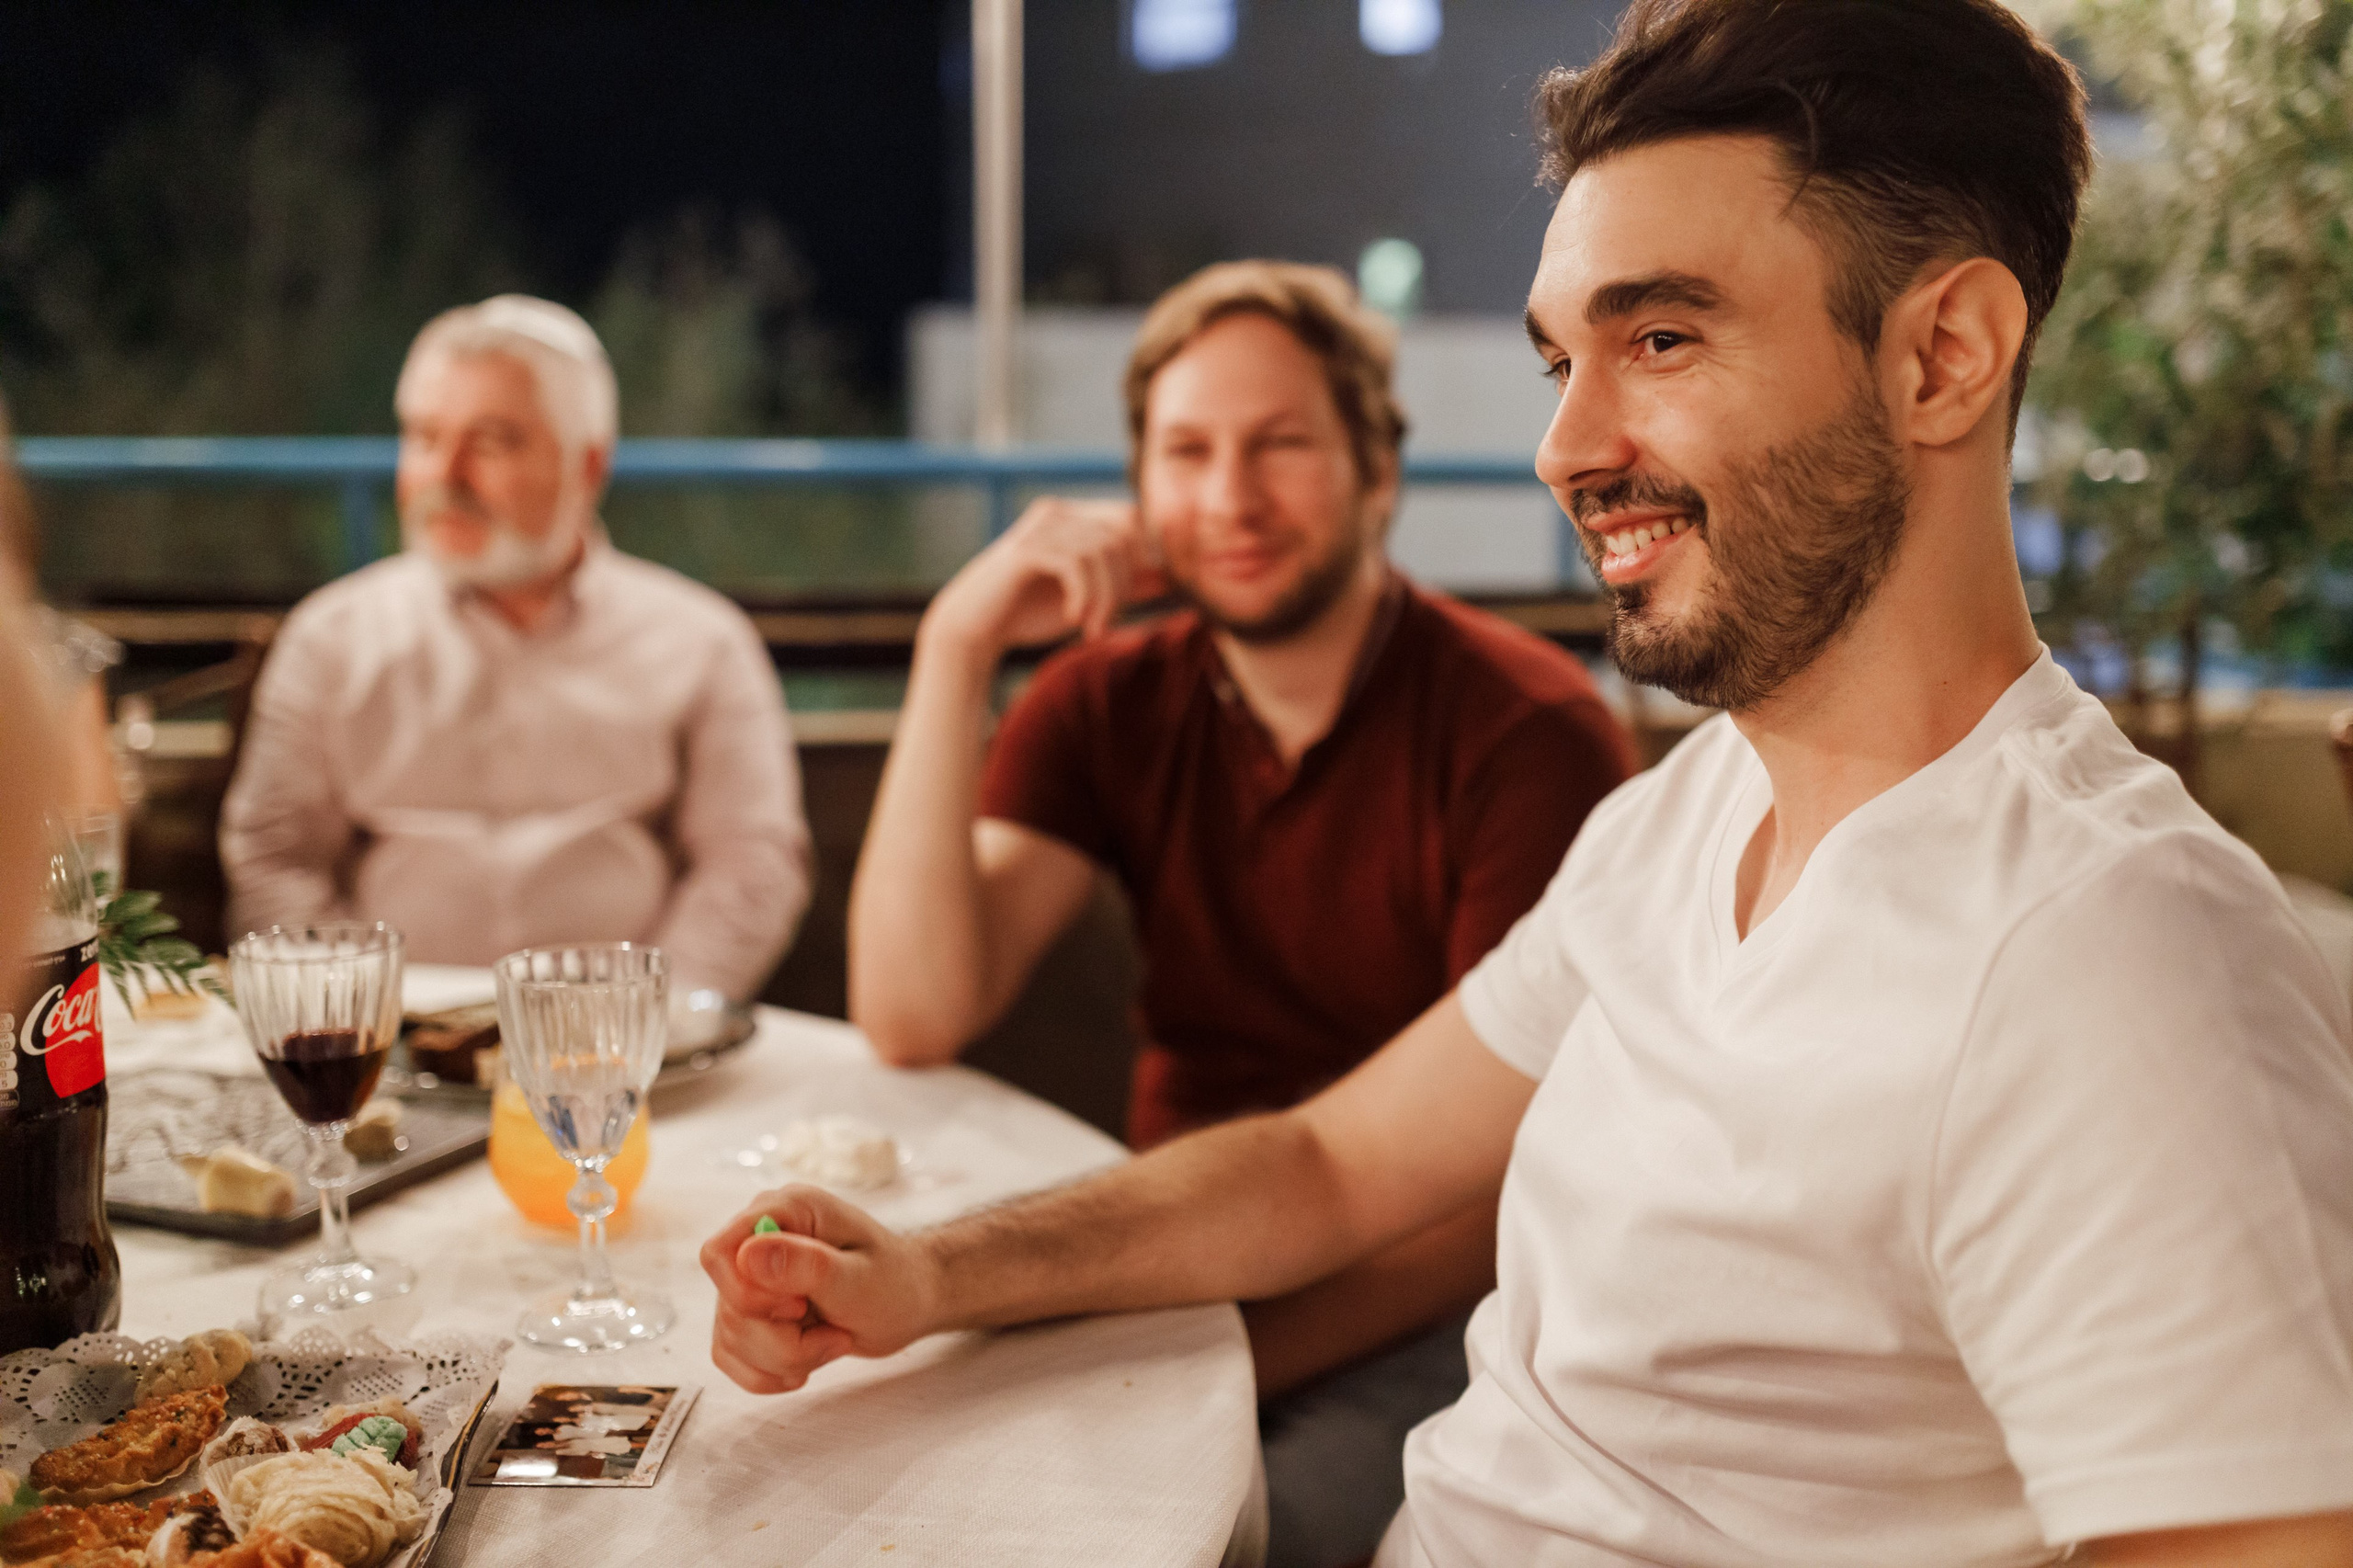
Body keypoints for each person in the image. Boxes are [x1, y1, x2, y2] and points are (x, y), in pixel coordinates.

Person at [705, 0, 2353, 1561]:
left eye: (1660, 334)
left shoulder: (2114, 958)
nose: (1568, 443)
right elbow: (1325, 1168)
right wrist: (933, 1272)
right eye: (1566, 357)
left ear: (1944, 358)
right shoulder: (1683, 817)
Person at [846, 260, 1632, 1563]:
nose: (1230, 498)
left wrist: (1208, 1349)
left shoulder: (1528, 728)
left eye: (1282, 447)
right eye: (1188, 451)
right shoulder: (1106, 702)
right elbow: (915, 1006)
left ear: (1378, 471)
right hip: (1171, 1248)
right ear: (1141, 487)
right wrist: (958, 644)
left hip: (1433, 1302)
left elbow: (1498, 1182)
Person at [222, 296, 811, 1002]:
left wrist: (651, 1025)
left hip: (623, 1055)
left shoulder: (702, 642)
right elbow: (273, 864)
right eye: (425, 438)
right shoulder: (330, 640)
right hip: (387, 1049)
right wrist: (354, 1020)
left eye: (492, 442)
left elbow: (751, 867)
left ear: (587, 466)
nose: (446, 476)